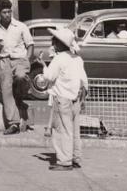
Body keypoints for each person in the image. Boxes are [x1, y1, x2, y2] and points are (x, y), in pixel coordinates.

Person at [33, 27, 88, 171]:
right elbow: (84, 80)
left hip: (63, 98)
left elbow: (49, 77)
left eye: (54, 40)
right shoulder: (77, 58)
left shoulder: (59, 58)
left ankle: (64, 161)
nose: (52, 43)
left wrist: (43, 66)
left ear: (58, 43)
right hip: (76, 97)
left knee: (63, 130)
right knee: (75, 131)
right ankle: (76, 158)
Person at [0, 0, 34, 135]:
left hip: (20, 60)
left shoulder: (21, 26)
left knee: (21, 77)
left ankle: (22, 94)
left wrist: (27, 60)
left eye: (9, 11)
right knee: (6, 91)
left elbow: (30, 45)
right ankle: (13, 123)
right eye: (4, 12)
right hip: (4, 62)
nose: (7, 15)